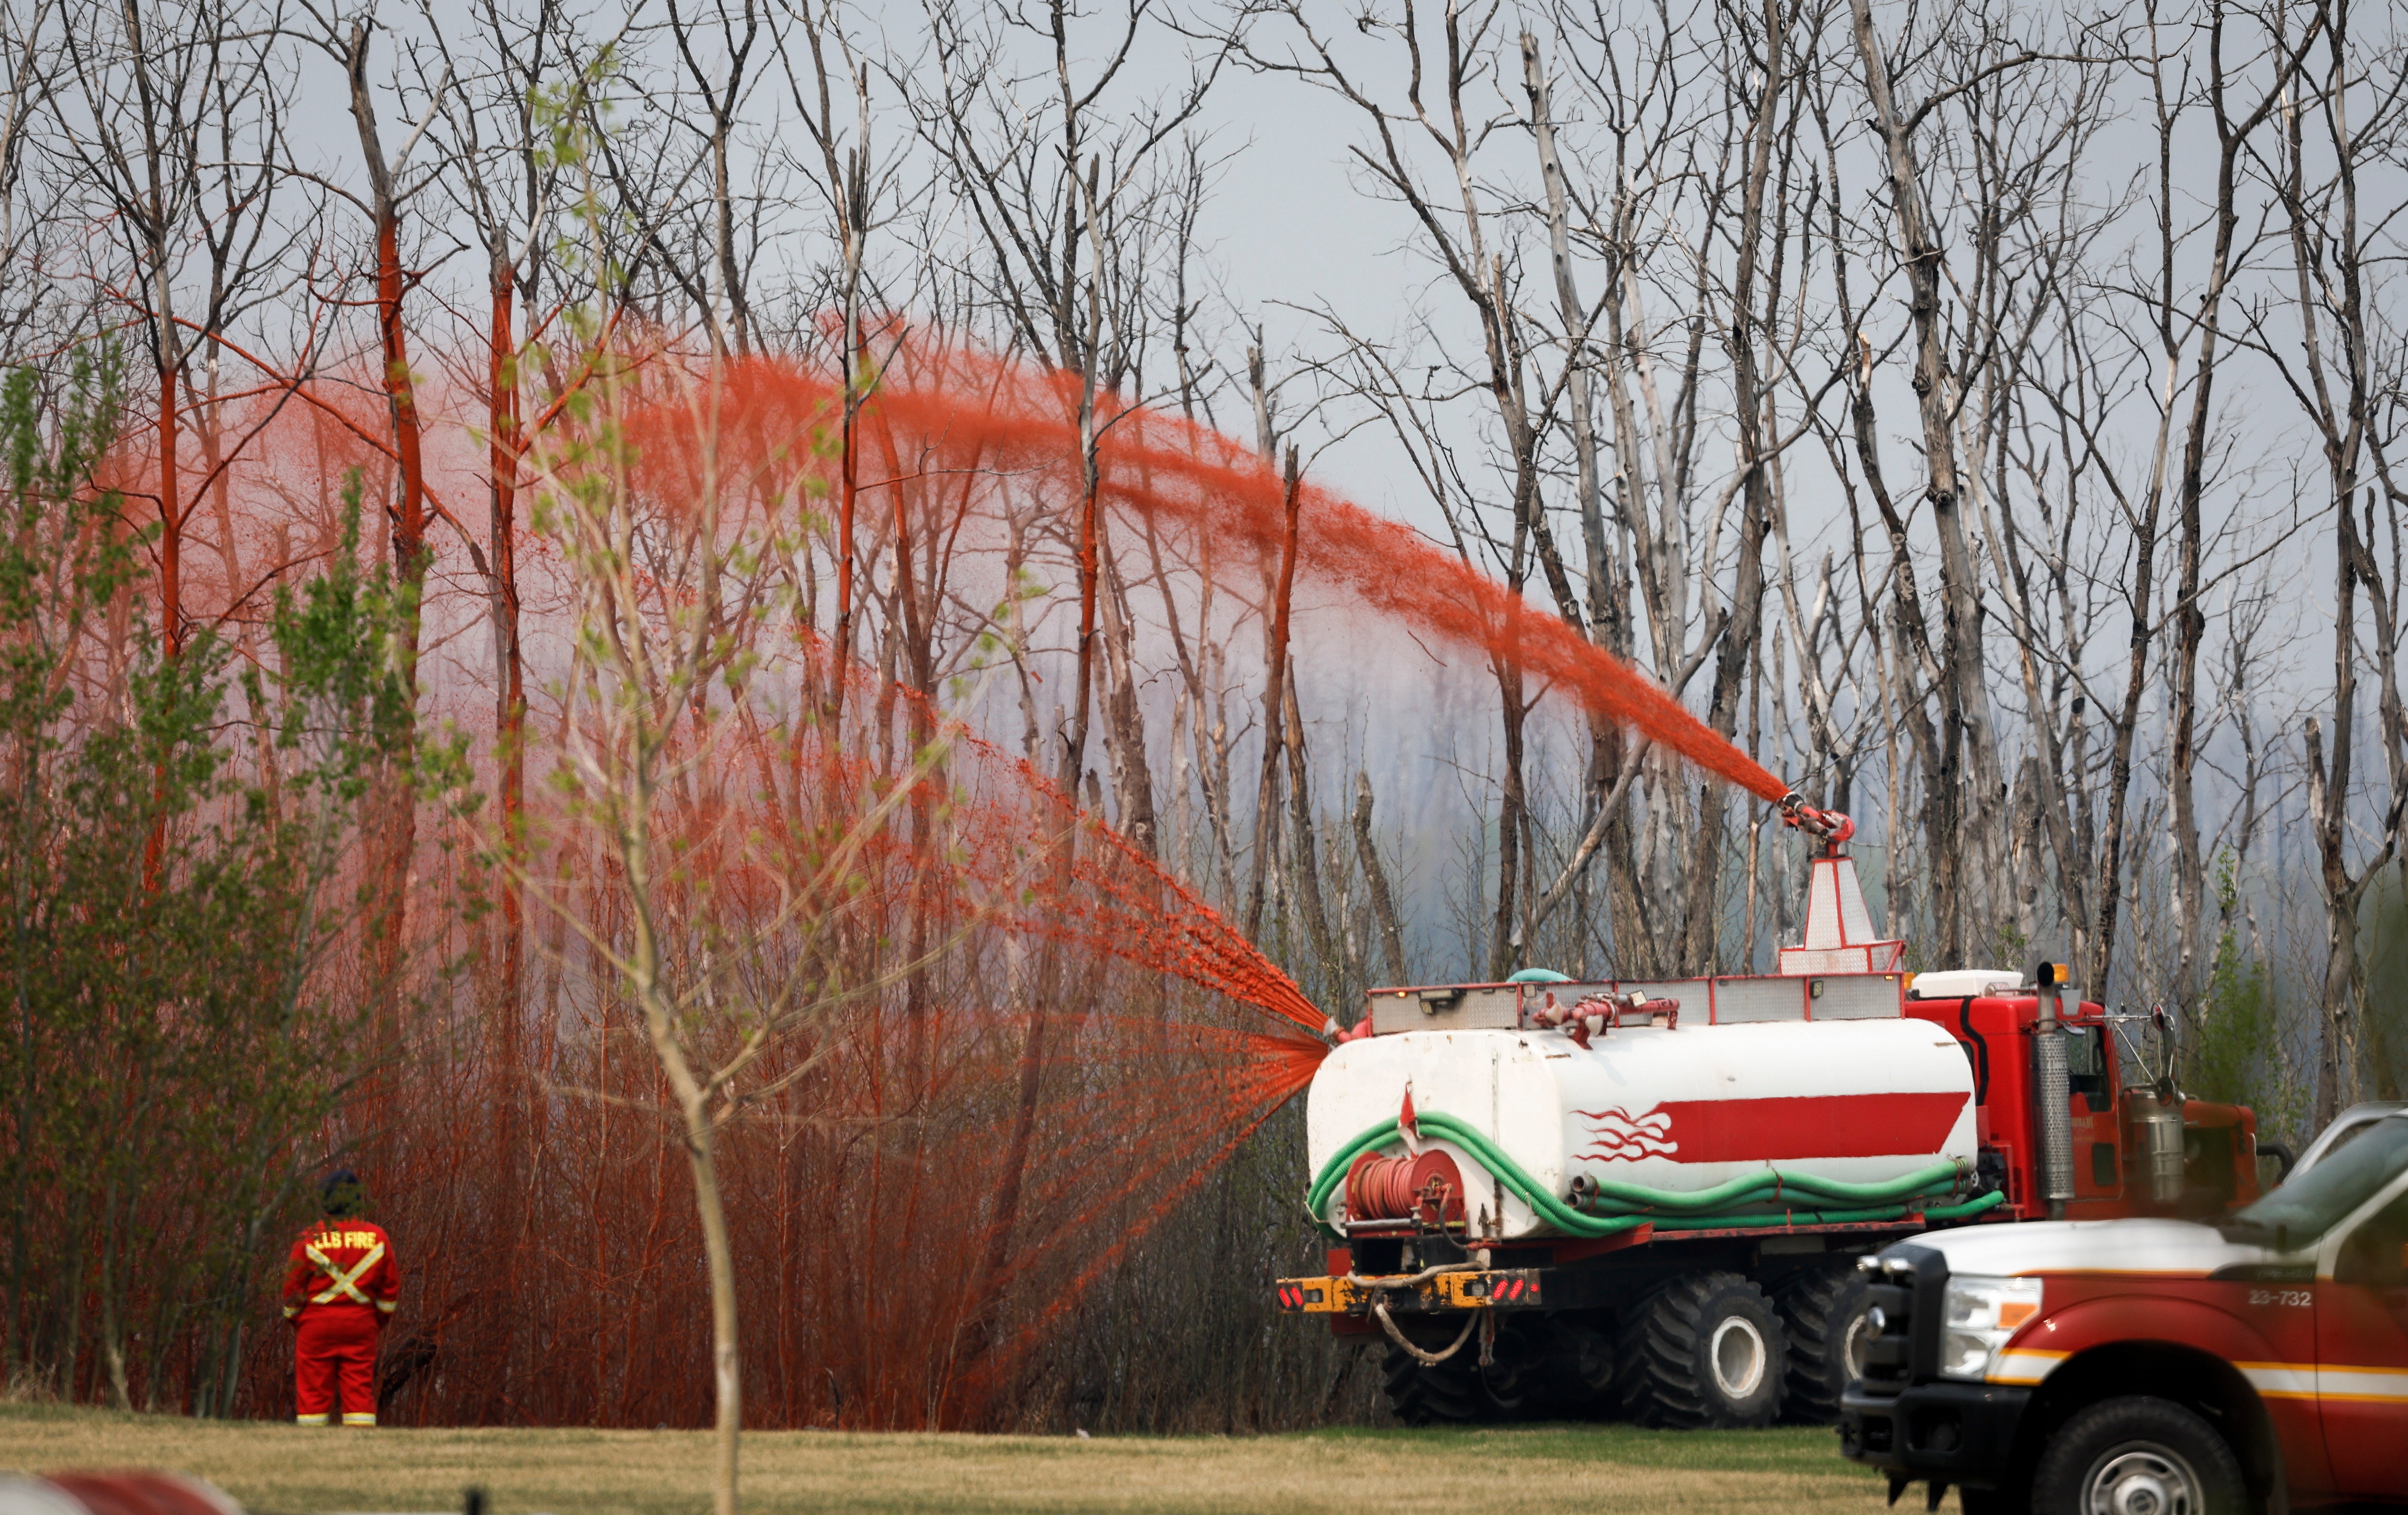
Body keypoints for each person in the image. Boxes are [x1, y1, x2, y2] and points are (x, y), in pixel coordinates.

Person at [282, 1169, 399, 1427]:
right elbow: (390, 1291)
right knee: (359, 1392)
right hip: (361, 1324)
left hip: (315, 1325)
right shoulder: (378, 1237)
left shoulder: (309, 1238)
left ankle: (312, 1453)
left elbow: (292, 1289)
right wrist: (373, 1321)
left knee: (313, 1394)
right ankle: (361, 1452)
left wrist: (299, 1321)